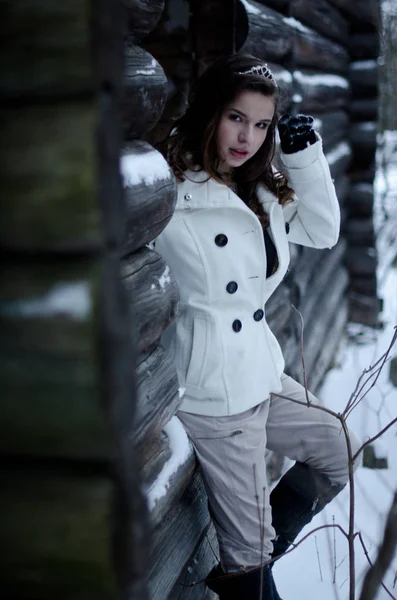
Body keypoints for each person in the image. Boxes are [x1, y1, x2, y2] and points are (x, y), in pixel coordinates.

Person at [155, 54, 361, 599]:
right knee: (255, 564)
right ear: (209, 114)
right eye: (236, 117)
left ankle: (245, 566)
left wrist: (303, 159)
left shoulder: (261, 188)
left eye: (262, 124)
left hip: (260, 371)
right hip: (215, 392)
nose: (248, 135)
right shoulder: (171, 194)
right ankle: (249, 571)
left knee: (340, 448)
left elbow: (322, 231)